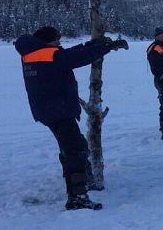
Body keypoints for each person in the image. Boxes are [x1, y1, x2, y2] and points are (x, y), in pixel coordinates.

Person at [14, 26, 129, 210]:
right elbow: (76, 58)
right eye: (56, 39)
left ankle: (84, 181)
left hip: (50, 109)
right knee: (75, 151)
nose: (59, 42)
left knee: (76, 146)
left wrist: (92, 44)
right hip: (57, 109)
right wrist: (105, 47)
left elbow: (67, 54)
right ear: (47, 41)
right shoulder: (48, 55)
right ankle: (77, 196)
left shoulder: (35, 53)